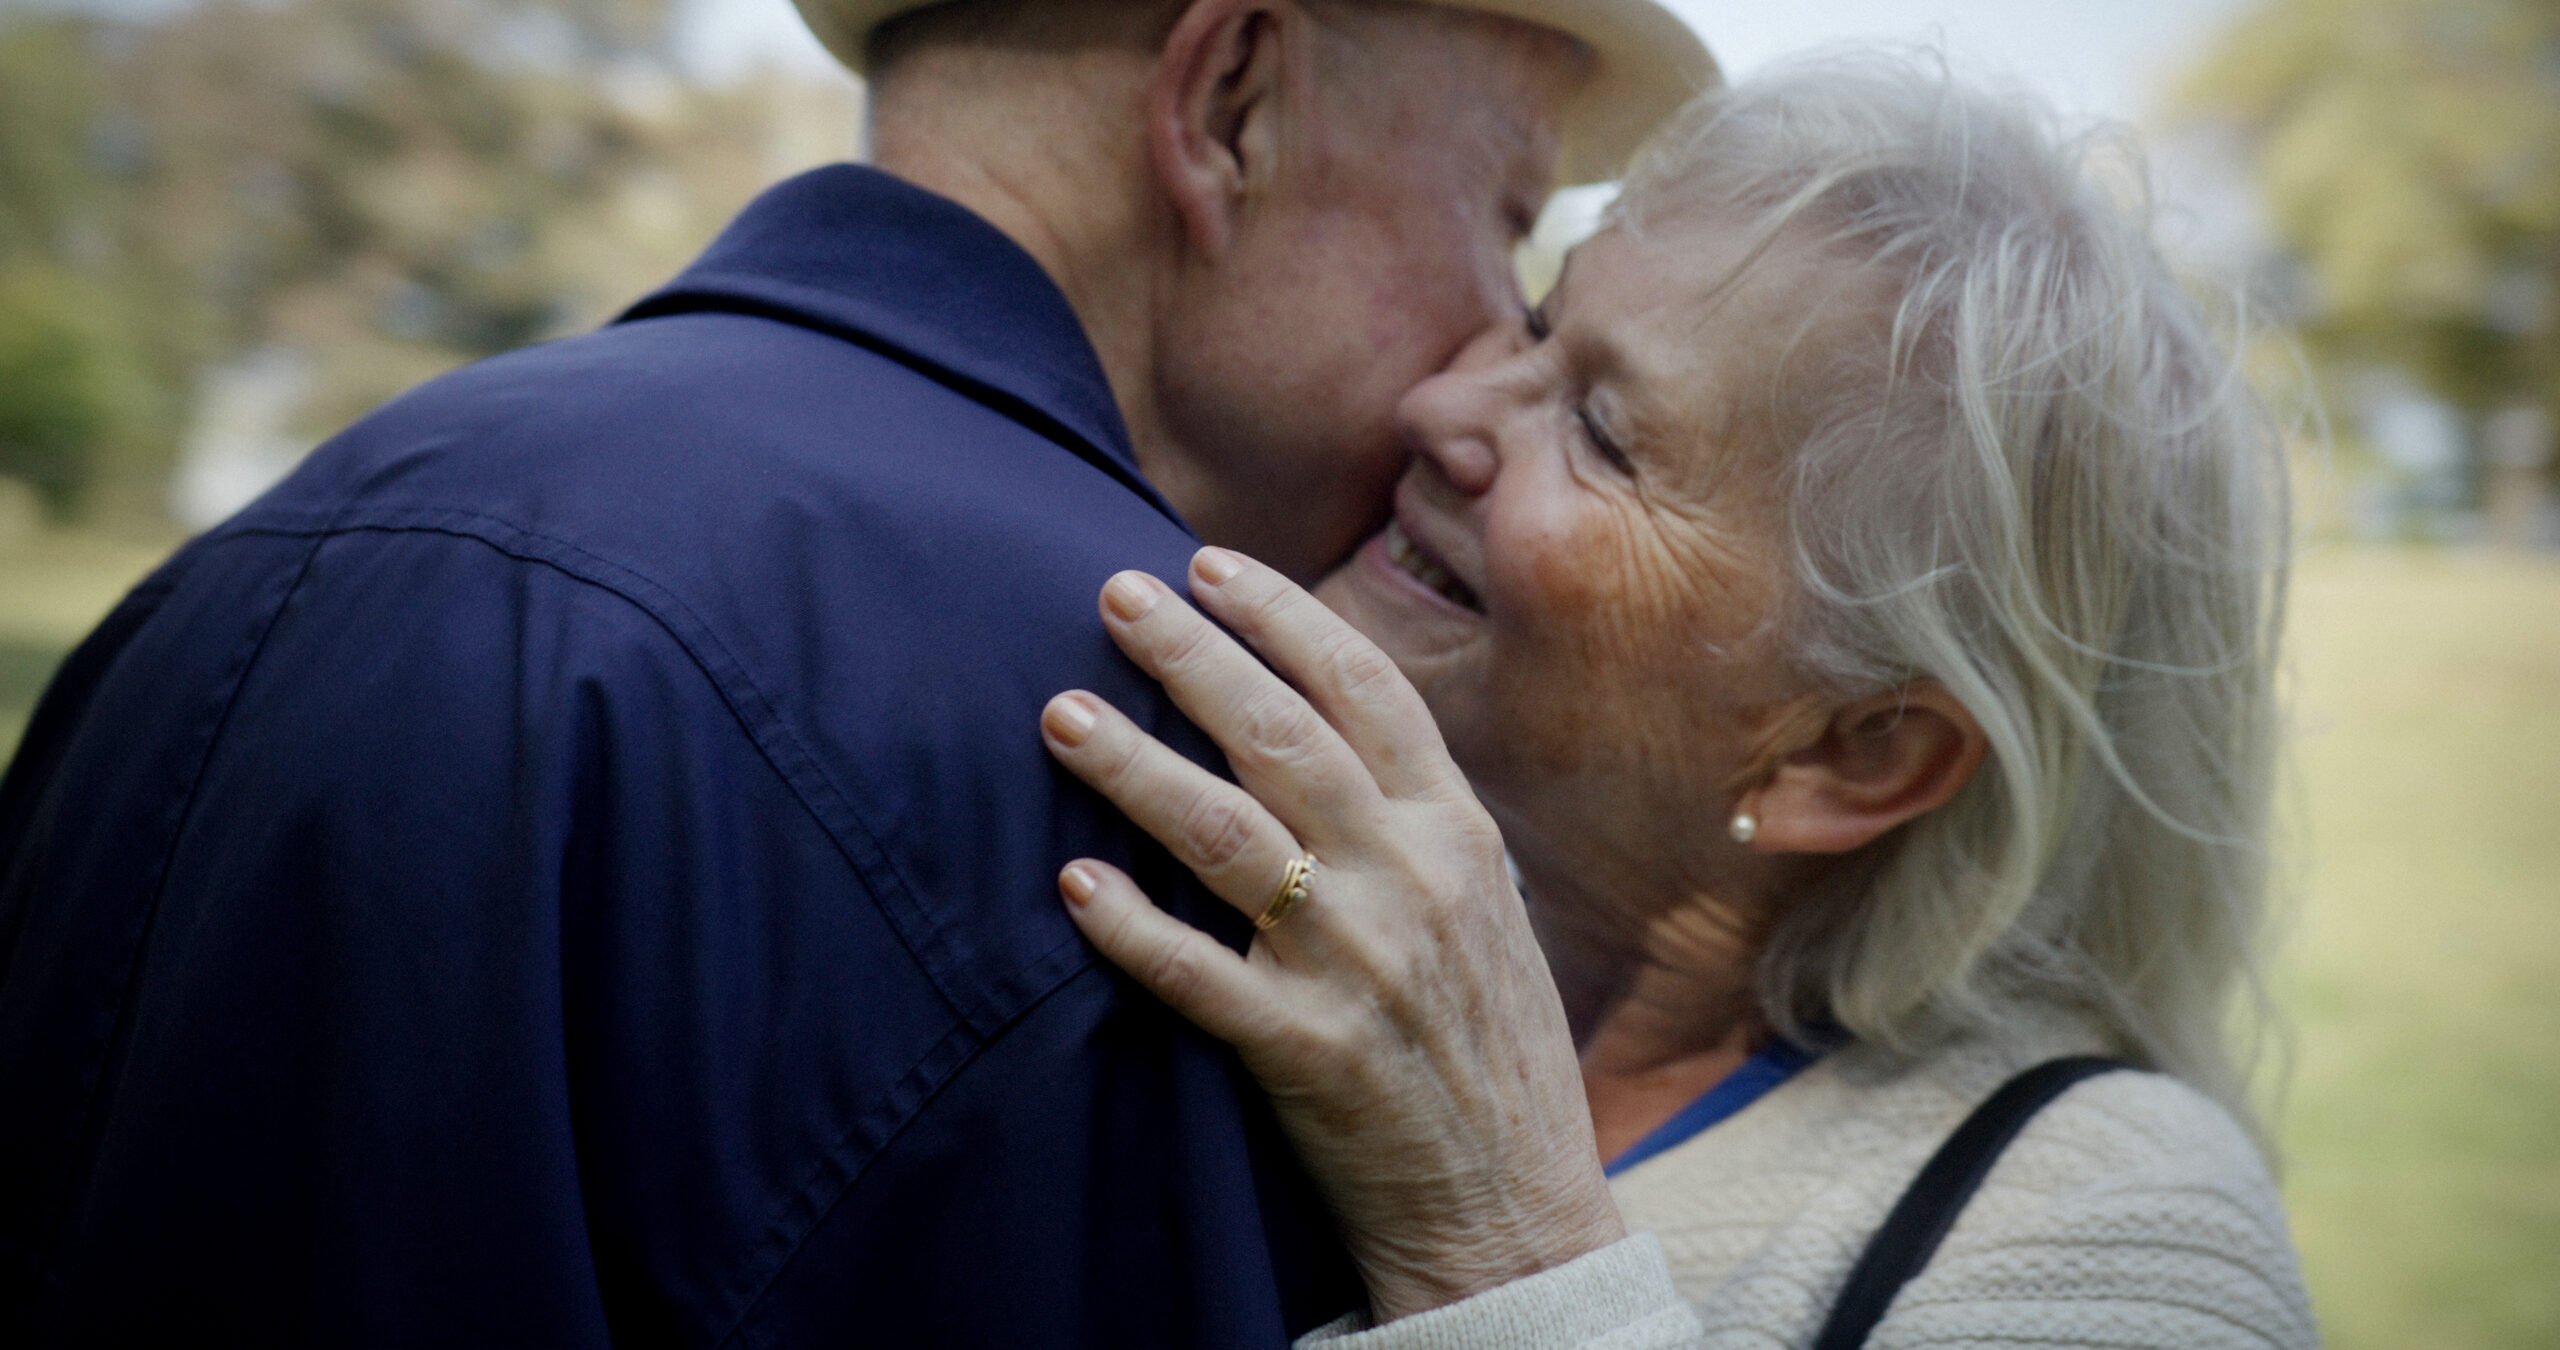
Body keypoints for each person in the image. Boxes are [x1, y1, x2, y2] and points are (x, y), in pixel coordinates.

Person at [0, 1, 1709, 1345]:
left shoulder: (277, 542)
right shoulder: (1170, 779)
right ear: (1230, 102)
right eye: (1503, 220)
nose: (1490, 342)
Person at [1038, 54, 2322, 1348]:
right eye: (1537, 326)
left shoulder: (2118, 1227)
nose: (1439, 405)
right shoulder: (1264, 921)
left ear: (1853, 753)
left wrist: (1496, 1240)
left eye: (1600, 432)